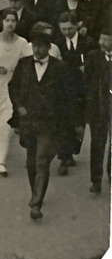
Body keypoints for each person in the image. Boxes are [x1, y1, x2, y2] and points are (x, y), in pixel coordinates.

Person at [8, 23, 80, 220]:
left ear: (49, 48)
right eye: (34, 46)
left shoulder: (60, 69)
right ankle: (35, 193)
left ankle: (36, 204)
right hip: (28, 123)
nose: (37, 50)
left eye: (41, 46)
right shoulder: (23, 65)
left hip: (49, 124)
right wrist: (19, 106)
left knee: (42, 162)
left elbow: (69, 97)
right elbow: (13, 88)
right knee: (31, 163)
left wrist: (73, 124)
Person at [55, 11, 95, 174]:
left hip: (83, 90)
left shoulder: (88, 43)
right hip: (64, 89)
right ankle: (64, 157)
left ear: (77, 26)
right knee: (65, 120)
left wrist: (89, 68)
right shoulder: (57, 44)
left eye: (70, 29)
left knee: (79, 122)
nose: (66, 32)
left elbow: (98, 64)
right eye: (63, 29)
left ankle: (73, 149)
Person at [84, 26, 112, 194]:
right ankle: (96, 180)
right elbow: (86, 84)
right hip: (98, 108)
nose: (101, 42)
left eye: (106, 39)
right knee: (97, 144)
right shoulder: (93, 57)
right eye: (100, 38)